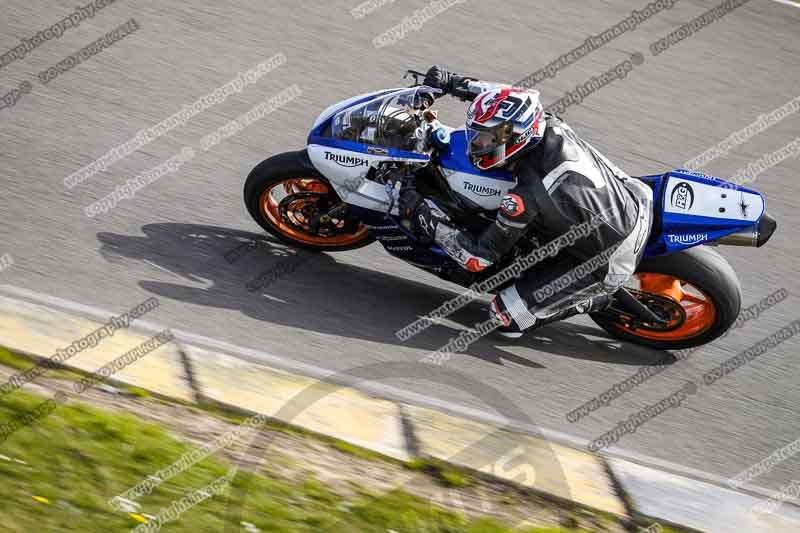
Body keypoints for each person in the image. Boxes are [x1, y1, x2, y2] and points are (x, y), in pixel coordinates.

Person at [399, 65, 653, 338]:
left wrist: (424, 216)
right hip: (632, 197)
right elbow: (503, 97)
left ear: (516, 137)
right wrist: (453, 82)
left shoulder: (527, 197)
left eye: (485, 138)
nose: (476, 143)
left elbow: (477, 259)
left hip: (608, 258)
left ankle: (599, 298)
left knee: (505, 318)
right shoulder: (544, 120)